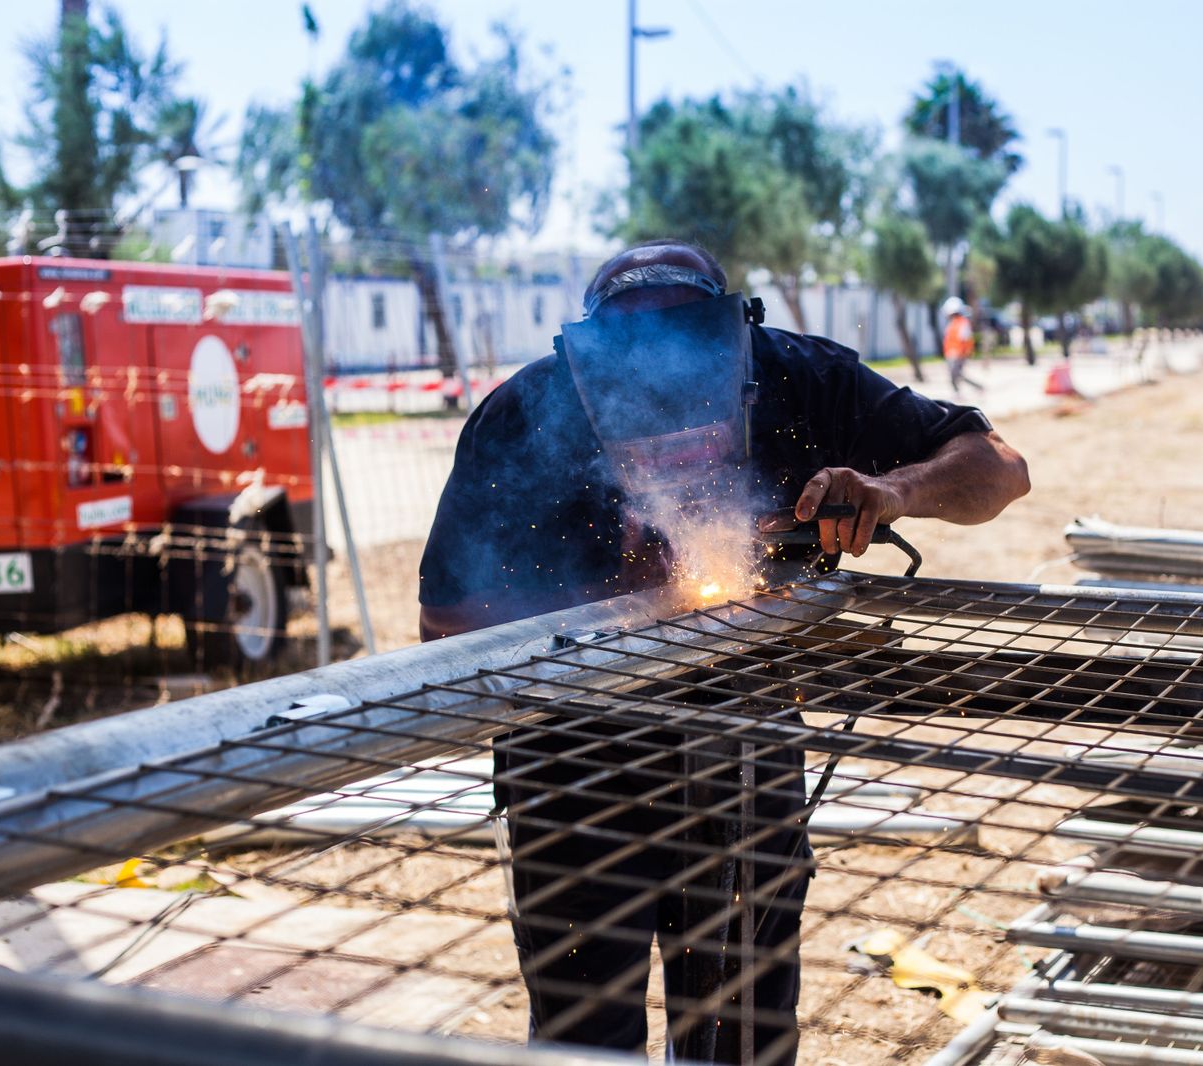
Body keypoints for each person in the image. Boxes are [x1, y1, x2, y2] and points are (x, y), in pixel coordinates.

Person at [418, 240, 1029, 1062]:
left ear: (736, 340)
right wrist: (613, 604)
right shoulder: (526, 415)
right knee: (582, 1040)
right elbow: (444, 625)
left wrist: (893, 492)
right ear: (589, 356)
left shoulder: (800, 379)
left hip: (747, 753)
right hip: (571, 769)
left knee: (741, 1038)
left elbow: (1000, 469)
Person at [940, 296, 981, 396]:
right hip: (951, 354)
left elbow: (966, 339)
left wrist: (965, 353)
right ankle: (976, 388)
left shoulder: (962, 322)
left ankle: (961, 391)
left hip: (958, 354)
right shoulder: (953, 323)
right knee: (957, 375)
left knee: (955, 375)